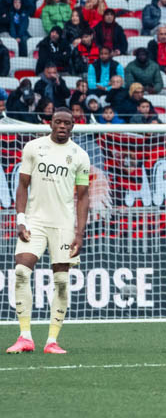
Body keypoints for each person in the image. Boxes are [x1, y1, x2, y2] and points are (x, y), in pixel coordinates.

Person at [6, 110, 91, 355]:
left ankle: (52, 340)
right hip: (35, 221)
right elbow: (22, 185)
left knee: (62, 282)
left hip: (63, 224)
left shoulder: (80, 155)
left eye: (67, 123)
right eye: (58, 122)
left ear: (73, 126)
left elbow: (83, 197)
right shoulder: (33, 148)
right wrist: (21, 219)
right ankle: (25, 336)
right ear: (50, 124)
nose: (62, 126)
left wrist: (79, 233)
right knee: (21, 272)